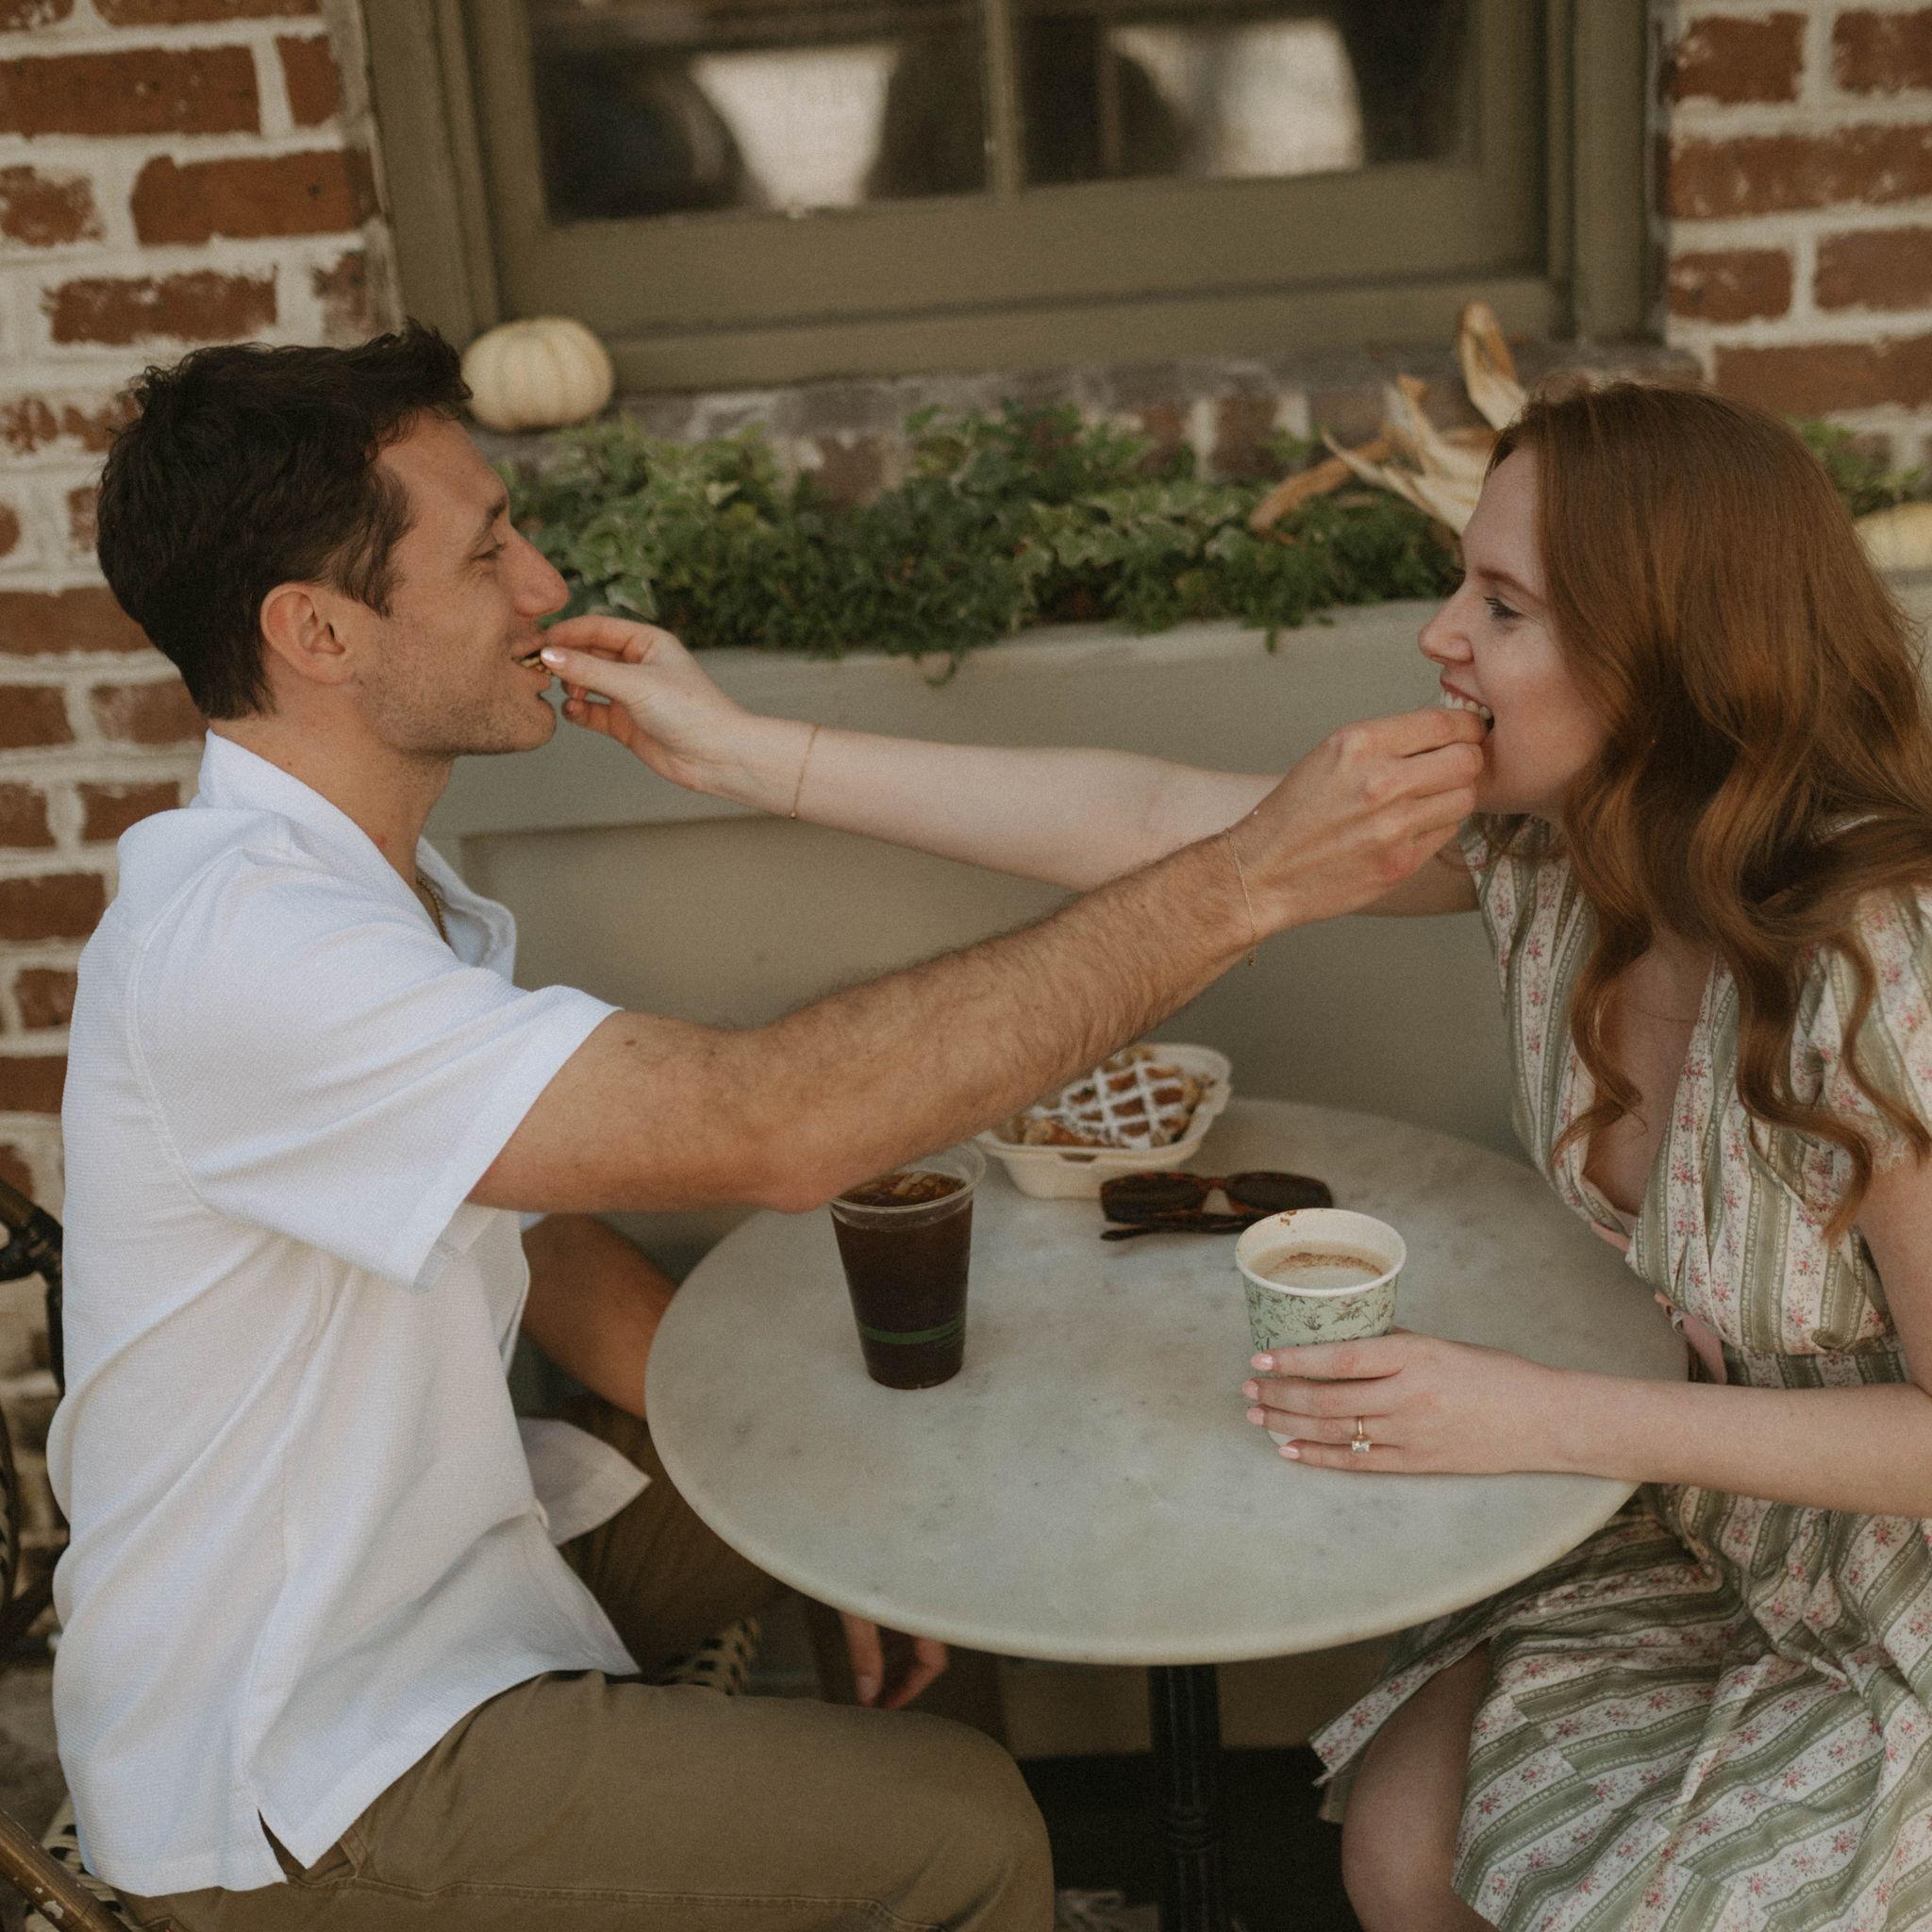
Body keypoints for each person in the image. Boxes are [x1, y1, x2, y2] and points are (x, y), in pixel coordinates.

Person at [52, 322, 1482, 1931]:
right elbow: (778, 1129)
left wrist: (821, 1506)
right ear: (317, 629)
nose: (542, 586)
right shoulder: (252, 957)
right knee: (963, 1832)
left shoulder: (369, 888)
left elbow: (531, 1223)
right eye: (487, 552)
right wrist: (1247, 882)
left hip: (457, 1568)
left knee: (883, 1437)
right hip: (300, 1760)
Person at [539, 378, 1932, 1930]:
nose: (1441, 635)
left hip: (1896, 1594)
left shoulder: (1882, 966)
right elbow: (1149, 815)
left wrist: (1544, 1415)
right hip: (1709, 1534)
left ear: (1667, 656)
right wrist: (747, 753)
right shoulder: (1558, 858)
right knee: (1400, 1849)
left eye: (1503, 605)